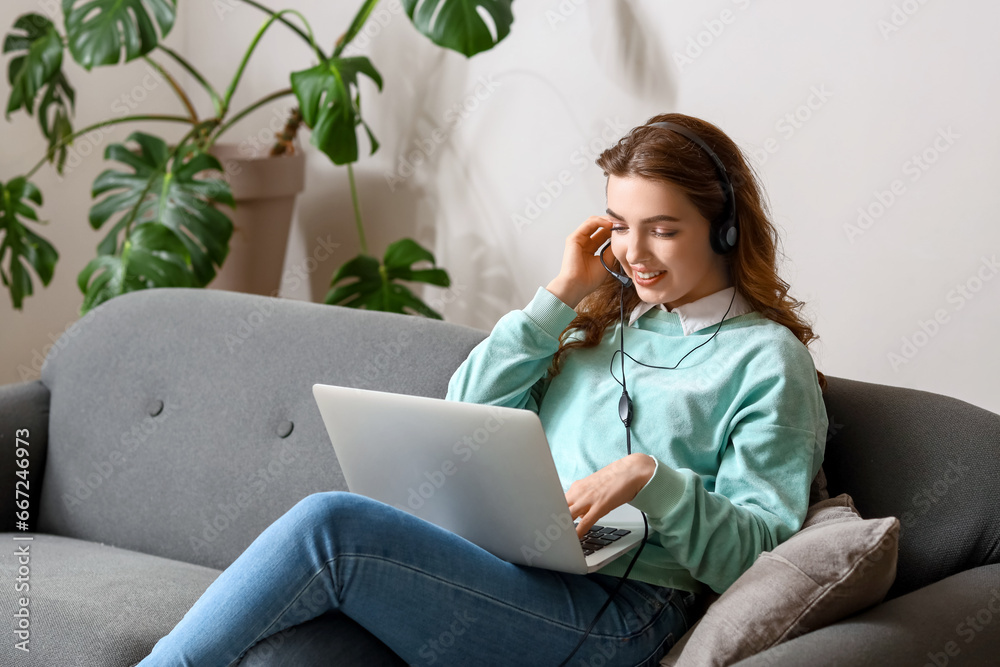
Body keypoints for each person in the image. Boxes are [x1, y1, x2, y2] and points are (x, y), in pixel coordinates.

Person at [135, 112, 829, 667]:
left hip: (625, 611)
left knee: (331, 527)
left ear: (725, 227)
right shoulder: (603, 324)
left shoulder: (767, 360)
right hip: (516, 563)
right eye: (620, 228)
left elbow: (756, 551)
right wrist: (558, 296)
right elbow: (466, 414)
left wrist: (647, 476)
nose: (636, 253)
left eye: (664, 230)